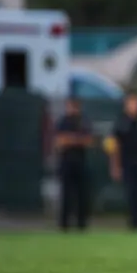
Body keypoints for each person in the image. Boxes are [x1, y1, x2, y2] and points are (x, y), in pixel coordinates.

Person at [110, 93, 137, 230]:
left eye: (136, 103)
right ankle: (134, 221)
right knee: (131, 192)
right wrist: (115, 166)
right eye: (131, 104)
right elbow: (116, 147)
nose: (134, 107)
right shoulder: (121, 123)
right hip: (127, 162)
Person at [55, 97, 94, 231]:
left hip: (81, 162)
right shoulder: (63, 121)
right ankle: (64, 224)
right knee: (66, 194)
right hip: (66, 163)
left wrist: (71, 139)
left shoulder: (84, 121)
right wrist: (77, 139)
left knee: (82, 194)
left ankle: (81, 224)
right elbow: (60, 141)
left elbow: (89, 141)